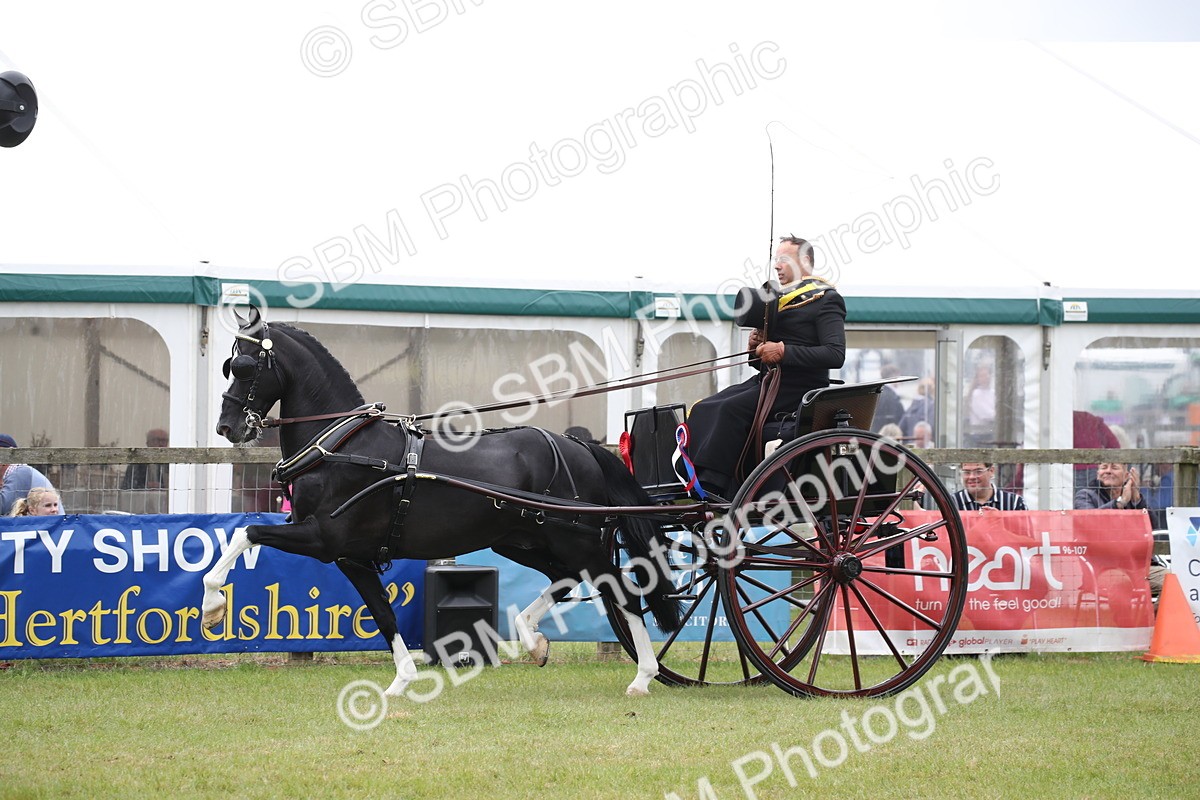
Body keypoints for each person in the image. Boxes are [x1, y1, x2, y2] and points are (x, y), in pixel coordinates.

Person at [685, 236, 846, 499]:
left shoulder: (826, 299)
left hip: (798, 388)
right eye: (776, 261)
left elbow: (835, 354)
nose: (777, 267)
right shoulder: (778, 301)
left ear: (805, 261)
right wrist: (755, 349)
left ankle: (714, 485)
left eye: (784, 260)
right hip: (770, 382)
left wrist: (783, 350)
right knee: (705, 405)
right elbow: (761, 363)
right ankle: (694, 477)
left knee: (728, 409)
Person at [1074, 461, 1166, 599]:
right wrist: (1120, 502)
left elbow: (1152, 528)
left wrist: (1137, 500)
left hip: (1139, 566)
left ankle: (1148, 617)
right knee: (1121, 584)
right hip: (1104, 568)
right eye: (1104, 467)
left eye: (1114, 467)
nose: (1108, 471)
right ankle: (1130, 620)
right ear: (1098, 474)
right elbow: (1089, 522)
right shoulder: (1085, 495)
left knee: (1175, 582)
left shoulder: (1132, 497)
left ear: (1127, 475)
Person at [0, 434, 58, 516]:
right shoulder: (12, 474)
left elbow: (4, 507)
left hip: (50, 526)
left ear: (4, 457)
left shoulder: (20, 472)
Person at [1072, 410, 1119, 491]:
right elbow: (1114, 445)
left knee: (1075, 500)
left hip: (1071, 470)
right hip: (1095, 469)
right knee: (1095, 500)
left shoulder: (1063, 421)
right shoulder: (1093, 421)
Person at [952, 462, 1027, 512]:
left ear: (991, 471)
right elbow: (943, 535)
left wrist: (1002, 522)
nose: (972, 477)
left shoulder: (1015, 502)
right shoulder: (952, 503)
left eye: (978, 471)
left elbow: (1028, 536)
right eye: (966, 472)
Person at [963, 363, 996, 447]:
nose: (986, 377)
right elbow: (985, 415)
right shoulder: (975, 394)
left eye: (987, 374)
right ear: (977, 378)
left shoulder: (993, 393)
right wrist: (998, 416)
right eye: (982, 375)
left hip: (991, 433)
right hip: (978, 436)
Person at [870, 364, 906, 433]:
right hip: (888, 434)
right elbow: (895, 418)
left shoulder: (879, 392)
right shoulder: (891, 396)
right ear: (894, 376)